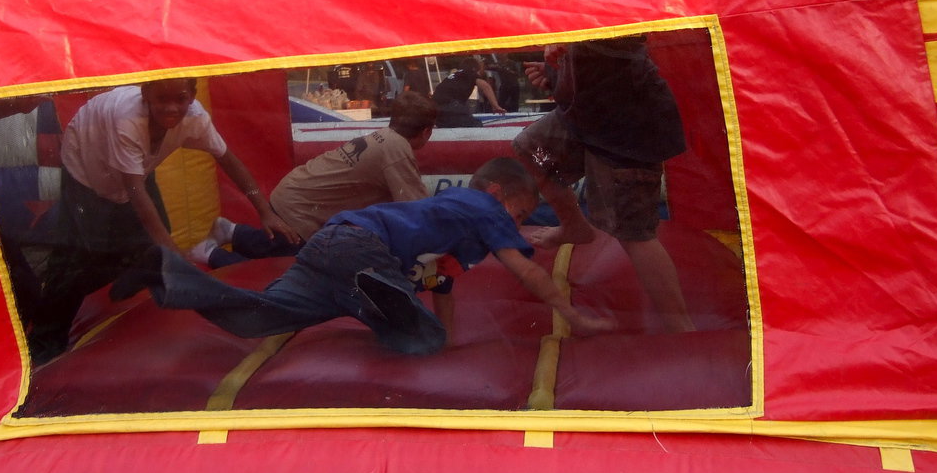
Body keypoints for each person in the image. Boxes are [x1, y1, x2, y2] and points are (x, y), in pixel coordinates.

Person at [115, 158, 612, 354]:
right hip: (363, 250)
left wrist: (449, 341)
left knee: (255, 318)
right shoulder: (482, 206)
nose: (518, 224)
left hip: (332, 248)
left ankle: (166, 273)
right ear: (499, 193)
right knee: (407, 328)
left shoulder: (453, 231)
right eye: (520, 213)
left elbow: (442, 285)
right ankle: (378, 292)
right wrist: (572, 316)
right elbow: (527, 270)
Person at [27, 78, 294, 364]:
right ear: (145, 96)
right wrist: (171, 251)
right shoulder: (127, 119)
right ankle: (45, 341)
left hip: (134, 172)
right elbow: (135, 192)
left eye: (180, 99)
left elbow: (228, 160)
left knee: (155, 242)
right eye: (161, 100)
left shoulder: (195, 119)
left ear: (192, 96)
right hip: (87, 164)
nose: (171, 108)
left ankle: (130, 269)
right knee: (77, 257)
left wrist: (264, 211)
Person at [514, 36, 695, 332]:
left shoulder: (606, 22)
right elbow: (591, 75)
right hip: (589, 119)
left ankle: (681, 327)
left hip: (630, 128)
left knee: (632, 231)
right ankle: (574, 226)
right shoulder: (579, 23)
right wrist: (555, 77)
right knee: (532, 150)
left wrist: (567, 39)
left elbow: (618, 47)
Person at [189, 92, 439, 267]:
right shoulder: (397, 151)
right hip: (300, 211)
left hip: (295, 193)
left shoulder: (384, 137)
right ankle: (210, 255)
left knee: (280, 248)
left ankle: (232, 232)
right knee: (291, 272)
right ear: (427, 131)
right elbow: (416, 211)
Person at [432, 57, 505, 127]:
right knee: (475, 124)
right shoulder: (470, 73)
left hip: (435, 107)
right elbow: (485, 86)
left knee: (450, 123)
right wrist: (495, 106)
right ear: (475, 68)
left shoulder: (455, 75)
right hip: (450, 104)